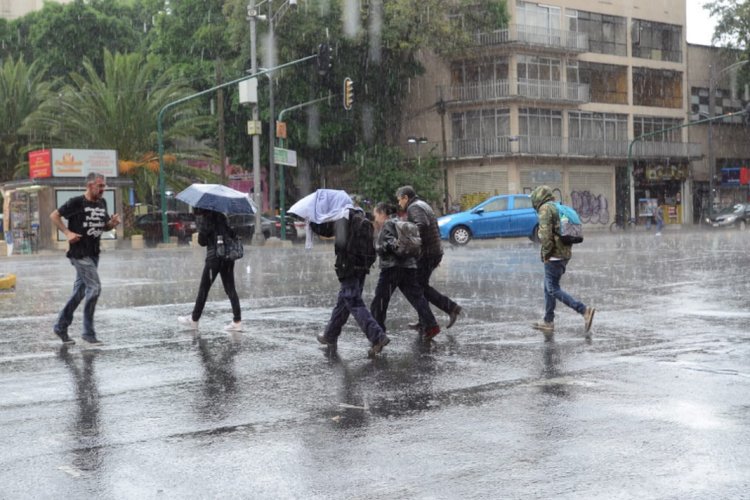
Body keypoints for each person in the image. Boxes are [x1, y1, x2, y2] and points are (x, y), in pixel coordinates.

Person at [50, 172, 121, 346]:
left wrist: (111, 224)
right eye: (100, 186)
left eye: (104, 186)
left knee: (80, 292)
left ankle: (60, 326)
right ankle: (88, 333)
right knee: (94, 288)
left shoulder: (102, 203)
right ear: (90, 186)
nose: (103, 189)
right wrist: (67, 233)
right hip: (79, 253)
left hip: (94, 253)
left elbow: (103, 226)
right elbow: (54, 215)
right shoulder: (76, 202)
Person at [314, 205, 390, 358]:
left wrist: (312, 221)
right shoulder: (362, 219)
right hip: (361, 267)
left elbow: (325, 231)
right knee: (344, 302)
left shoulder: (344, 218)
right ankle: (330, 335)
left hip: (348, 266)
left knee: (353, 302)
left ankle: (377, 337)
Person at [395, 185, 461, 338]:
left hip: (427, 254)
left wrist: (407, 239)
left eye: (399, 200)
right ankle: (427, 319)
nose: (399, 204)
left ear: (405, 197)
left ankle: (449, 308)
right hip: (432, 252)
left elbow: (422, 225)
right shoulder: (421, 204)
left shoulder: (413, 207)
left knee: (417, 287)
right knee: (420, 287)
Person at [530, 185, 595, 338]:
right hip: (564, 253)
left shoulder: (545, 209)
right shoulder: (556, 206)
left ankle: (584, 310)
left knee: (552, 288)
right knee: (548, 287)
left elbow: (546, 236)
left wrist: (545, 255)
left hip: (554, 255)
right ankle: (548, 321)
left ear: (538, 198)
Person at [370, 202, 440, 339]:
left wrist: (380, 247)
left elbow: (391, 244)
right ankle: (432, 325)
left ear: (382, 213)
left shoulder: (388, 224)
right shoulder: (403, 222)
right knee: (417, 297)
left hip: (391, 268)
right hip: (408, 267)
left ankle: (377, 333)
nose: (375, 217)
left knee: (379, 301)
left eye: (376, 214)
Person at [178, 208, 242, 331]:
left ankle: (194, 320)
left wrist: (204, 233)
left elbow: (202, 242)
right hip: (228, 257)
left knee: (204, 289)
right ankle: (237, 321)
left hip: (214, 258)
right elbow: (232, 234)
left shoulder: (206, 219)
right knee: (230, 289)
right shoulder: (223, 217)